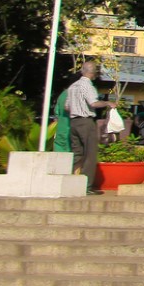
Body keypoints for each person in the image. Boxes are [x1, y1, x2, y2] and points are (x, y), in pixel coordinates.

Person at [62, 59, 109, 194]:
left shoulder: (72, 87)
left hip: (74, 122)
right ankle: (86, 185)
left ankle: (72, 182)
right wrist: (107, 103)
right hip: (86, 121)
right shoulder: (88, 86)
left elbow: (66, 107)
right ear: (93, 73)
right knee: (90, 154)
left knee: (77, 153)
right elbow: (93, 103)